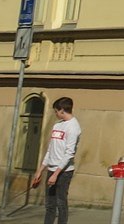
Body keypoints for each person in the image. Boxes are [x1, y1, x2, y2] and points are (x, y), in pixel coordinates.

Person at [29, 96, 81, 224]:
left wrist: (56, 174)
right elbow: (50, 149)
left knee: (61, 203)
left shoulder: (73, 127)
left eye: (56, 111)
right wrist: (40, 170)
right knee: (50, 204)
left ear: (62, 110)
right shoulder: (57, 125)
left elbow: (69, 153)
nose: (55, 114)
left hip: (64, 172)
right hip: (51, 169)